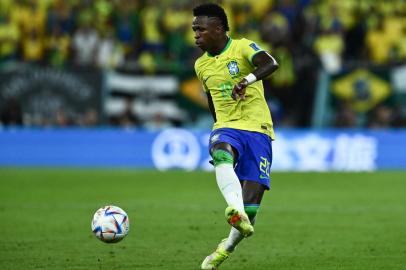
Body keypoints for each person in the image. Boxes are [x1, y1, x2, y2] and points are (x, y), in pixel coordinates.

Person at [192, 3, 279, 269]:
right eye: (194, 30)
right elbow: (211, 98)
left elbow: (271, 63)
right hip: (227, 126)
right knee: (221, 152)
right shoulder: (201, 65)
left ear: (218, 29)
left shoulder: (242, 47)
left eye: (200, 29)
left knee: (251, 208)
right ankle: (233, 208)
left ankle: (226, 247)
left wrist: (246, 80)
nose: (195, 35)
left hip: (258, 129)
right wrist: (217, 124)